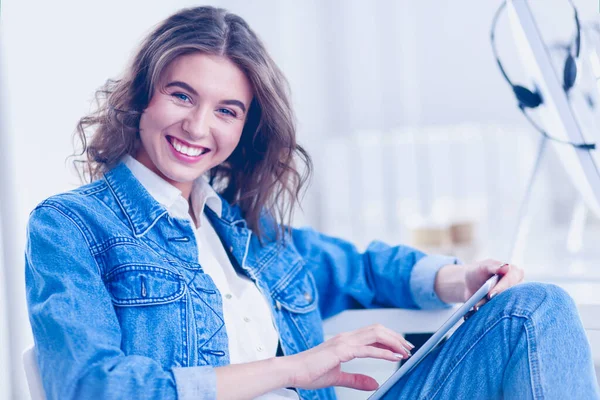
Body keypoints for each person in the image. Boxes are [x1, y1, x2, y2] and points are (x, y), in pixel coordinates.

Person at [24, 6, 599, 400]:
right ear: (144, 98)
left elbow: (363, 268)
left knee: (535, 309)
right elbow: (94, 385)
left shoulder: (248, 235)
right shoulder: (71, 225)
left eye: (227, 110)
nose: (198, 126)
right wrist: (298, 368)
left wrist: (459, 278)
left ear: (244, 131)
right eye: (182, 95)